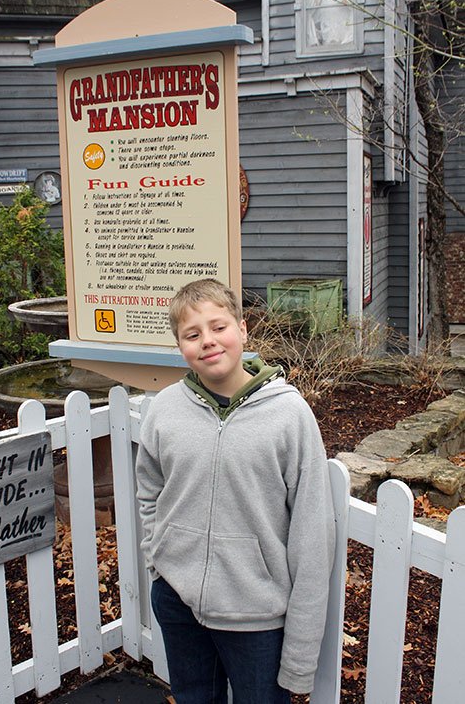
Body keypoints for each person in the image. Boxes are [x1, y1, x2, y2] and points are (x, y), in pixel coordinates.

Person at [136, 278, 335, 704]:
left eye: (218, 326)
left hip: (257, 616)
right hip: (178, 601)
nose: (207, 341)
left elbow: (312, 536)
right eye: (192, 334)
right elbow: (149, 490)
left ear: (243, 330)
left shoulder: (289, 416)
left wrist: (299, 656)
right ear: (180, 346)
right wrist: (160, 559)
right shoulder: (165, 409)